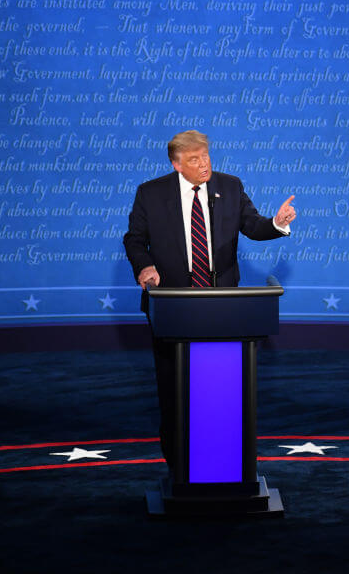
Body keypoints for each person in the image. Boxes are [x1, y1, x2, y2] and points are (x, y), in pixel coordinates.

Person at [123, 130, 297, 470]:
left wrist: (276, 224)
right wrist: (144, 267)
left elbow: (253, 226)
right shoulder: (151, 194)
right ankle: (180, 468)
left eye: (205, 156)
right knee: (176, 391)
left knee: (223, 392)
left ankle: (227, 464)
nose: (203, 165)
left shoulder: (229, 187)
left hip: (224, 309)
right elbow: (134, 240)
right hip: (172, 308)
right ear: (176, 165)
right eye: (193, 160)